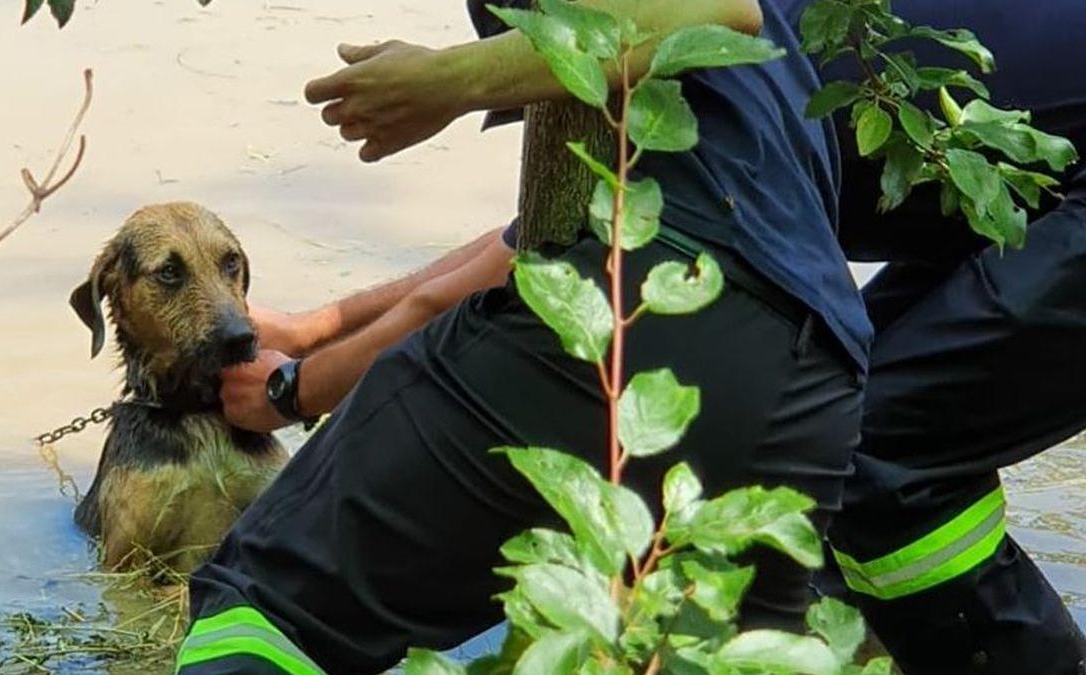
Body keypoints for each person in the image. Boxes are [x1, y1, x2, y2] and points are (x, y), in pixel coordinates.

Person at [176, 1, 872, 672]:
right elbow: (518, 245)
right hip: (816, 378)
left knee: (263, 608)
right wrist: (314, 335)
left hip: (653, 308)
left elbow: (709, 3)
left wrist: (446, 80)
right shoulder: (736, 82)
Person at [768, 1, 1086, 673]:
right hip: (1042, 178)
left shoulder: (712, 76)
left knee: (874, 450)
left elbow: (553, 256)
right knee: (816, 423)